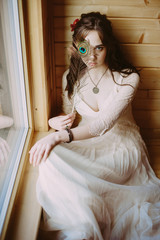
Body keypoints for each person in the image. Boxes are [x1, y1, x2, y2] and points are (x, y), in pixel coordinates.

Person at [29, 12, 160, 240]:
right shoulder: (70, 77)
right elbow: (69, 117)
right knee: (50, 157)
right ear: (75, 47)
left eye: (99, 48)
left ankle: (92, 210)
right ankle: (83, 223)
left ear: (108, 46)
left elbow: (103, 124)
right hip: (88, 141)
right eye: (84, 48)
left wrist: (57, 136)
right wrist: (53, 122)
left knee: (62, 151)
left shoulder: (127, 79)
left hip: (123, 146)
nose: (91, 56)